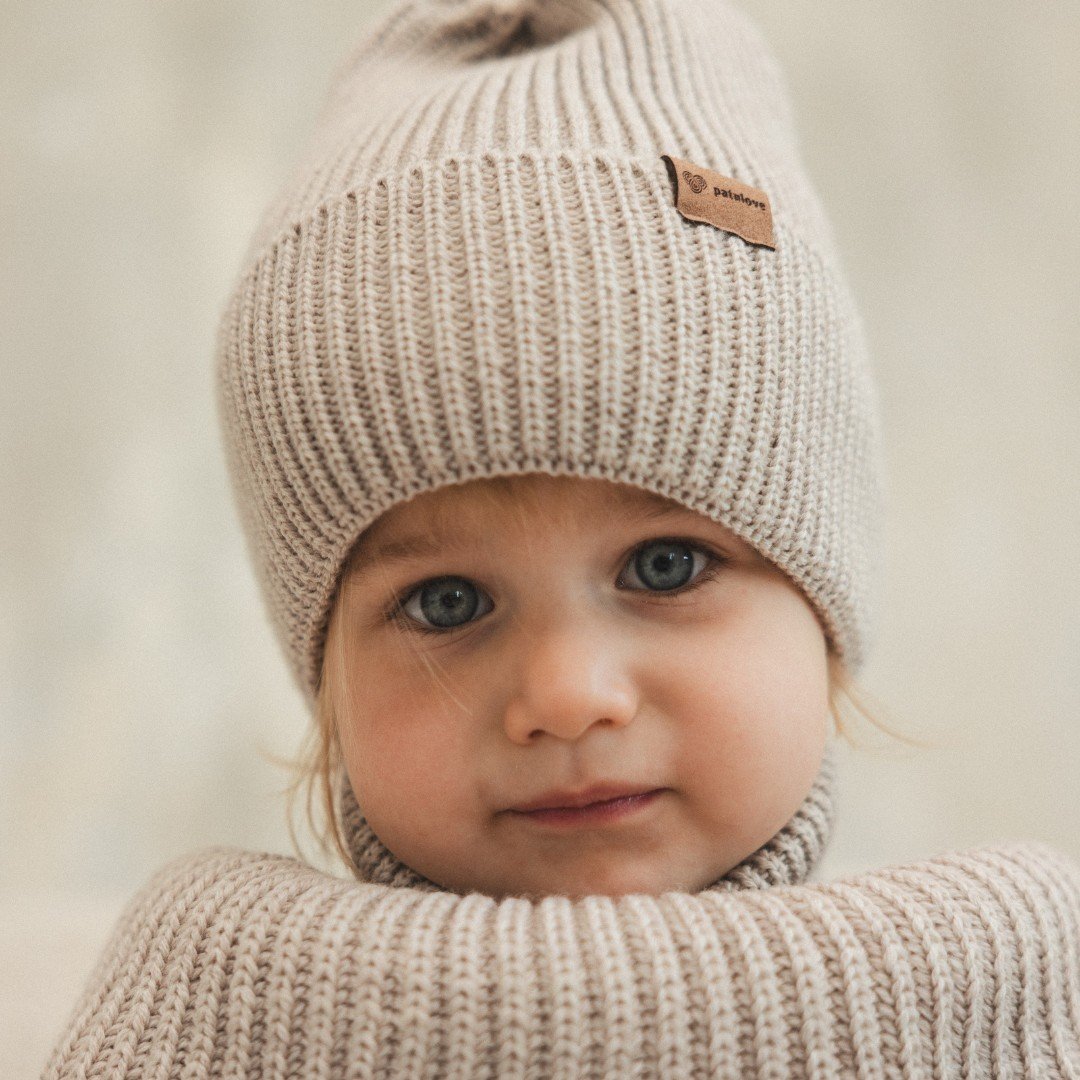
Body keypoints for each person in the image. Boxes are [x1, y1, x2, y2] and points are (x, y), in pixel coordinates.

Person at [43, 0, 1080, 1075]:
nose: (569, 696)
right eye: (448, 602)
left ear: (824, 606)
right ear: (328, 677)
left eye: (665, 567)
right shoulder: (214, 1007)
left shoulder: (1005, 1000)